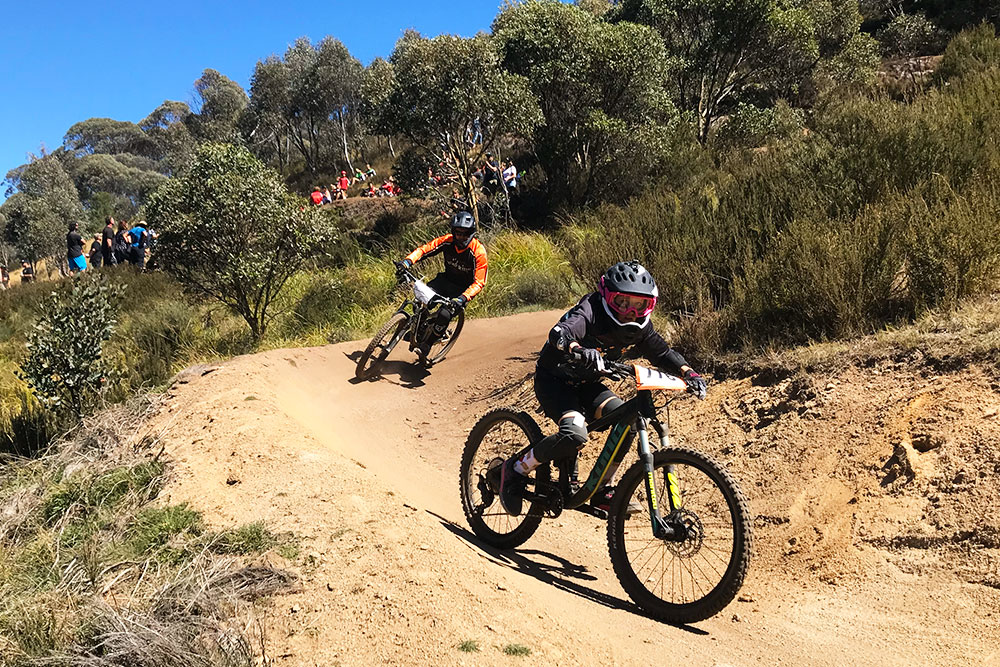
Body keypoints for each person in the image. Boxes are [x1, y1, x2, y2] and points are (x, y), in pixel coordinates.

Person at [497, 260, 709, 517]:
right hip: (554, 381)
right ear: (607, 297)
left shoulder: (642, 328)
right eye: (623, 302)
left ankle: (601, 489)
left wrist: (689, 372)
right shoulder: (591, 310)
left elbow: (662, 353)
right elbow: (560, 333)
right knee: (575, 433)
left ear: (649, 305)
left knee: (626, 420)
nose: (631, 312)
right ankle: (515, 469)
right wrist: (576, 348)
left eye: (639, 304)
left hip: (588, 385)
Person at [394, 211, 488, 355]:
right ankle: (419, 330)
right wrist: (407, 262)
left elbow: (479, 282)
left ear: (471, 233)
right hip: (445, 280)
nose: (461, 237)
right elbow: (425, 250)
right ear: (453, 231)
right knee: (420, 299)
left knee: (445, 314)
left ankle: (428, 344)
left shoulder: (478, 252)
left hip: (462, 291)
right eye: (458, 233)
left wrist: (462, 299)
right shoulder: (447, 241)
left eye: (465, 233)